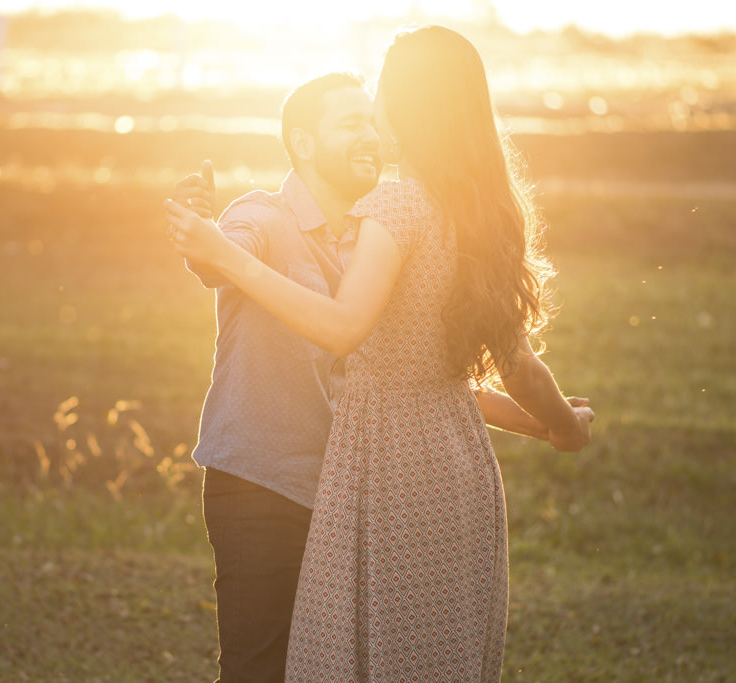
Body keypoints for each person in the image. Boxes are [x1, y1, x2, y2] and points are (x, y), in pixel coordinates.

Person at [169, 71, 563, 683]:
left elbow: (415, 375)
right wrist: (206, 240)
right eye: (350, 124)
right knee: (258, 671)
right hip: (261, 488)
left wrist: (538, 422)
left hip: (348, 499)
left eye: (372, 124)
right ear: (303, 143)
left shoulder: (376, 241)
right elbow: (222, 259)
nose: (370, 137)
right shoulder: (261, 215)